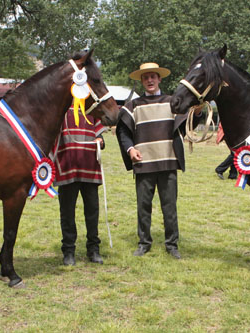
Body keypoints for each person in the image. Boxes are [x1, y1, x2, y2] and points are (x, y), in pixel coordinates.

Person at [116, 62, 200, 259]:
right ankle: (144, 243)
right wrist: (130, 149)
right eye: (145, 78)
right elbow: (122, 131)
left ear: (159, 78)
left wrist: (197, 113)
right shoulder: (133, 106)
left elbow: (187, 125)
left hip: (168, 162)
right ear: (142, 81)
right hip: (144, 163)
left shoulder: (173, 102)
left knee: (169, 207)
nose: (150, 80)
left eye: (153, 76)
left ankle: (172, 245)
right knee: (143, 207)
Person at [52, 106, 107, 266]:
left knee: (92, 211)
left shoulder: (91, 108)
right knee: (67, 212)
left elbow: (99, 136)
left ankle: (93, 249)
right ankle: (68, 250)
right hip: (67, 165)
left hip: (89, 166)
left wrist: (101, 141)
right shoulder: (60, 108)